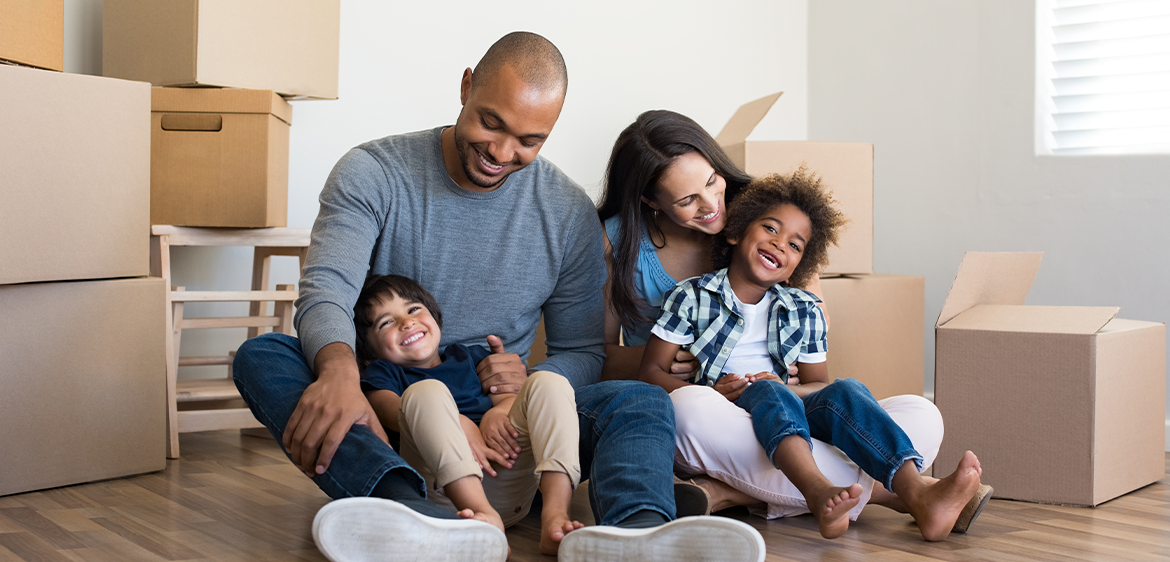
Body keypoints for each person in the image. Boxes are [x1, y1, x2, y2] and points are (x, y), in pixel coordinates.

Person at [233, 32, 765, 562]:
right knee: (265, 356)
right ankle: (406, 507)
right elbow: (326, 290)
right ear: (467, 87)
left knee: (640, 398)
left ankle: (639, 535)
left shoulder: (566, 212)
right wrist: (340, 373)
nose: (502, 153)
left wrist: (523, 389)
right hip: (387, 415)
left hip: (512, 434)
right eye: (491, 123)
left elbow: (583, 351)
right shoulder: (374, 173)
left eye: (529, 141)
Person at [595, 110, 991, 534]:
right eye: (688, 200)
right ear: (651, 201)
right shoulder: (651, 267)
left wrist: (787, 387)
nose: (713, 206)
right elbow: (596, 357)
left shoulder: (772, 216)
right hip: (706, 412)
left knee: (921, 414)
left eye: (712, 181)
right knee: (692, 408)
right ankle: (897, 493)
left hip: (788, 408)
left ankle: (727, 492)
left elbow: (815, 376)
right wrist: (684, 369)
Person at [353, 274, 583, 554]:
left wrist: (496, 413)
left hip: (508, 473)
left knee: (549, 383)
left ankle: (556, 516)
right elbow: (390, 412)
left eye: (413, 309)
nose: (407, 322)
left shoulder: (468, 356)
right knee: (426, 392)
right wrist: (458, 422)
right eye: (386, 322)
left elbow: (509, 397)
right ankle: (484, 519)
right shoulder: (383, 374)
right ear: (368, 352)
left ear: (435, 318)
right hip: (447, 493)